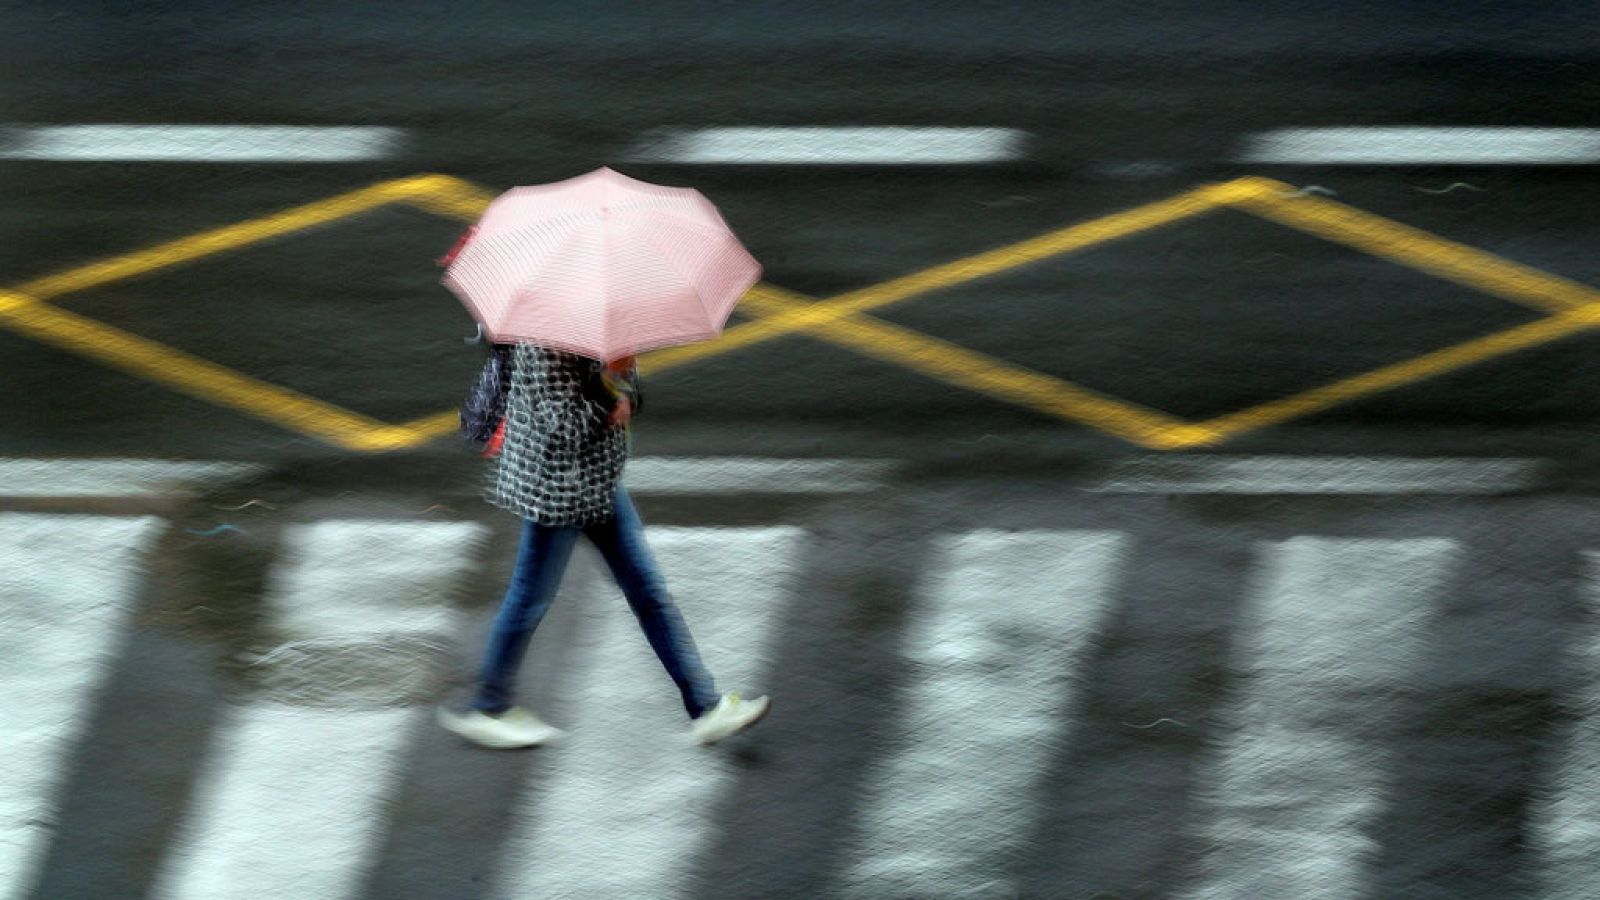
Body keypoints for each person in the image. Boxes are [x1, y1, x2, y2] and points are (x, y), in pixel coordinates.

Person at [438, 341, 770, 748]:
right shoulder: (543, 344)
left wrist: (622, 378)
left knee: (648, 593)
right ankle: (488, 707)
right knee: (530, 599)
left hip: (599, 484)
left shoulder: (596, 325)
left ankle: (705, 706)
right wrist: (609, 390)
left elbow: (628, 389)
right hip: (556, 491)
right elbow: (563, 426)